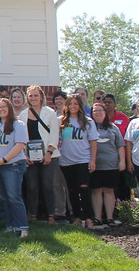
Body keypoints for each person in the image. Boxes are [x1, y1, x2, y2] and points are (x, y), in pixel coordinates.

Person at [0, 97, 30, 238]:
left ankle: (23, 227)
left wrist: (4, 160)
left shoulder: (18, 124)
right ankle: (11, 226)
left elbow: (20, 145)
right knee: (3, 198)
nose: (1, 109)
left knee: (14, 197)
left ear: (9, 108)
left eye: (4, 107)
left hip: (12, 165)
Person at [20, 85, 65, 224]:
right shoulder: (22, 114)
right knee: (32, 186)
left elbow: (54, 135)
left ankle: (51, 215)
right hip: (29, 156)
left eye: (36, 95)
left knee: (48, 185)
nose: (33, 98)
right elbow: (21, 136)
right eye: (30, 96)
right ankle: (32, 215)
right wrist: (24, 154)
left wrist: (49, 153)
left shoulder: (50, 113)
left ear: (41, 97)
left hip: (49, 155)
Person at [59, 94, 98, 229]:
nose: (73, 106)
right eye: (70, 104)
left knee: (84, 188)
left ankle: (88, 218)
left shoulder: (88, 122)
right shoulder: (61, 121)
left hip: (83, 160)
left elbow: (93, 142)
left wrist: (93, 160)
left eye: (76, 104)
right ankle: (77, 217)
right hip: (66, 161)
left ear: (80, 106)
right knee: (72, 190)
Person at [90, 101, 125, 227]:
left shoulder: (113, 127)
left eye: (100, 110)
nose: (97, 113)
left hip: (111, 165)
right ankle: (97, 218)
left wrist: (122, 161)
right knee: (96, 190)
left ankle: (110, 218)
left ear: (105, 112)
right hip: (94, 165)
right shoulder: (89, 127)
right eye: (95, 111)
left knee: (109, 190)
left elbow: (120, 145)